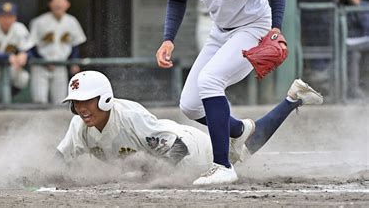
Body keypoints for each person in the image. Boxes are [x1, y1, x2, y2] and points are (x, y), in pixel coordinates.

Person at [155, 0, 287, 184]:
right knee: (190, 104)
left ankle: (223, 165)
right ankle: (240, 132)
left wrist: (275, 29)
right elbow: (176, 1)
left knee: (210, 81)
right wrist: (168, 39)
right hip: (222, 30)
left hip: (254, 25)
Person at [55, 71, 323, 180]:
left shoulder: (130, 118)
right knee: (243, 137)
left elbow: (178, 151)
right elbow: (61, 157)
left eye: (85, 101)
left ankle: (291, 100)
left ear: (103, 98)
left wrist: (147, 173)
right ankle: (290, 98)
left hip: (193, 149)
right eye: (76, 102)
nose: (80, 107)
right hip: (172, 137)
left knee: (242, 151)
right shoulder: (79, 125)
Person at [29, 0, 86, 105]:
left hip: (61, 65)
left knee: (60, 102)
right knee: (39, 101)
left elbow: (76, 44)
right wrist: (43, 61)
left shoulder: (72, 21)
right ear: (50, 4)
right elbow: (31, 45)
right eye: (55, 1)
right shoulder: (39, 22)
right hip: (40, 66)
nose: (58, 4)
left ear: (67, 4)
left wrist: (74, 62)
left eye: (61, 0)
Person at [335, 0, 369, 99]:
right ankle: (354, 91)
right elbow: (328, 24)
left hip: (364, 43)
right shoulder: (339, 4)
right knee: (355, 54)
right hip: (345, 45)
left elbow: (367, 26)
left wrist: (356, 5)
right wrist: (338, 1)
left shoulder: (365, 5)